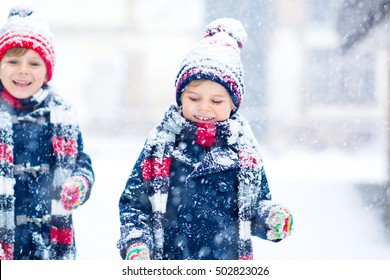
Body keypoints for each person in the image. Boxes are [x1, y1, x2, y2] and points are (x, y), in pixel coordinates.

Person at [117, 18, 293, 260]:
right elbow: (134, 206)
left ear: (233, 104)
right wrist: (137, 244)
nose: (204, 108)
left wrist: (269, 218)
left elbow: (254, 206)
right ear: (180, 98)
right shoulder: (161, 145)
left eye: (216, 101)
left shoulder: (243, 151)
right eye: (194, 98)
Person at [0, 6, 94, 260]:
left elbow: (80, 162)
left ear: (47, 70)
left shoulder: (61, 114)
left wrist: (79, 183)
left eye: (33, 63)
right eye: (12, 61)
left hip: (48, 241)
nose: (22, 70)